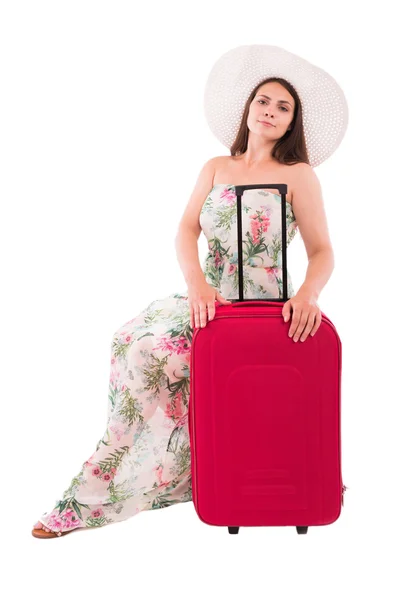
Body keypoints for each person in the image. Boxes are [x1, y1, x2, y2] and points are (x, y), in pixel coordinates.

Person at [32, 44, 348, 538]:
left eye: (283, 107)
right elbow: (184, 229)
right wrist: (196, 286)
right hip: (210, 300)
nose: (270, 110)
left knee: (169, 361)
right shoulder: (215, 167)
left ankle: (176, 478)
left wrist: (307, 295)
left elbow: (323, 251)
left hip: (265, 309)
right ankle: (105, 487)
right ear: (248, 109)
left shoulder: (299, 176)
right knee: (131, 343)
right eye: (263, 101)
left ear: (292, 124)